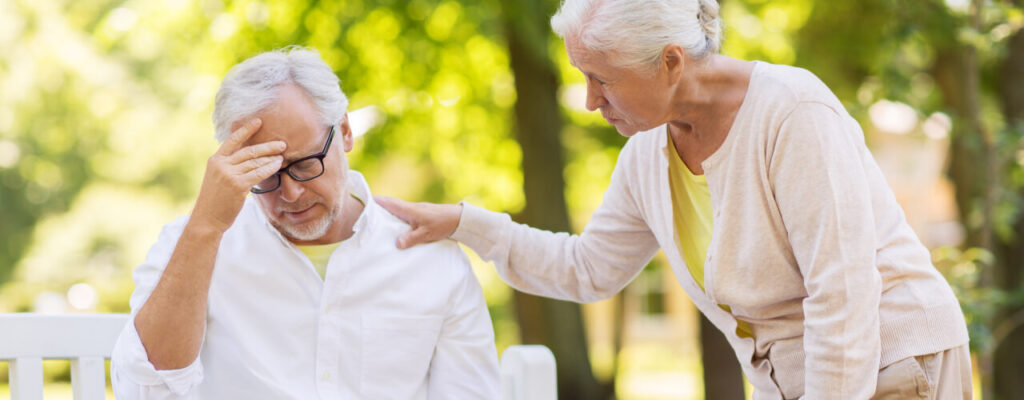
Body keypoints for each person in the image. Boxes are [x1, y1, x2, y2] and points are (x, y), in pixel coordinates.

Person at [375, 0, 971, 398]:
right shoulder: (646, 157)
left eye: (602, 78)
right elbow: (586, 269)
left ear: (670, 62)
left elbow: (842, 294)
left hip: (892, 361)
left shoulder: (792, 113)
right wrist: (465, 224)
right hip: (804, 381)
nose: (589, 100)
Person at [110, 47, 499, 399]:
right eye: (265, 174)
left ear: (344, 131)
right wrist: (206, 228)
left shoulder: (433, 261)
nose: (291, 193)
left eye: (305, 164)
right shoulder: (191, 245)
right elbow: (146, 386)